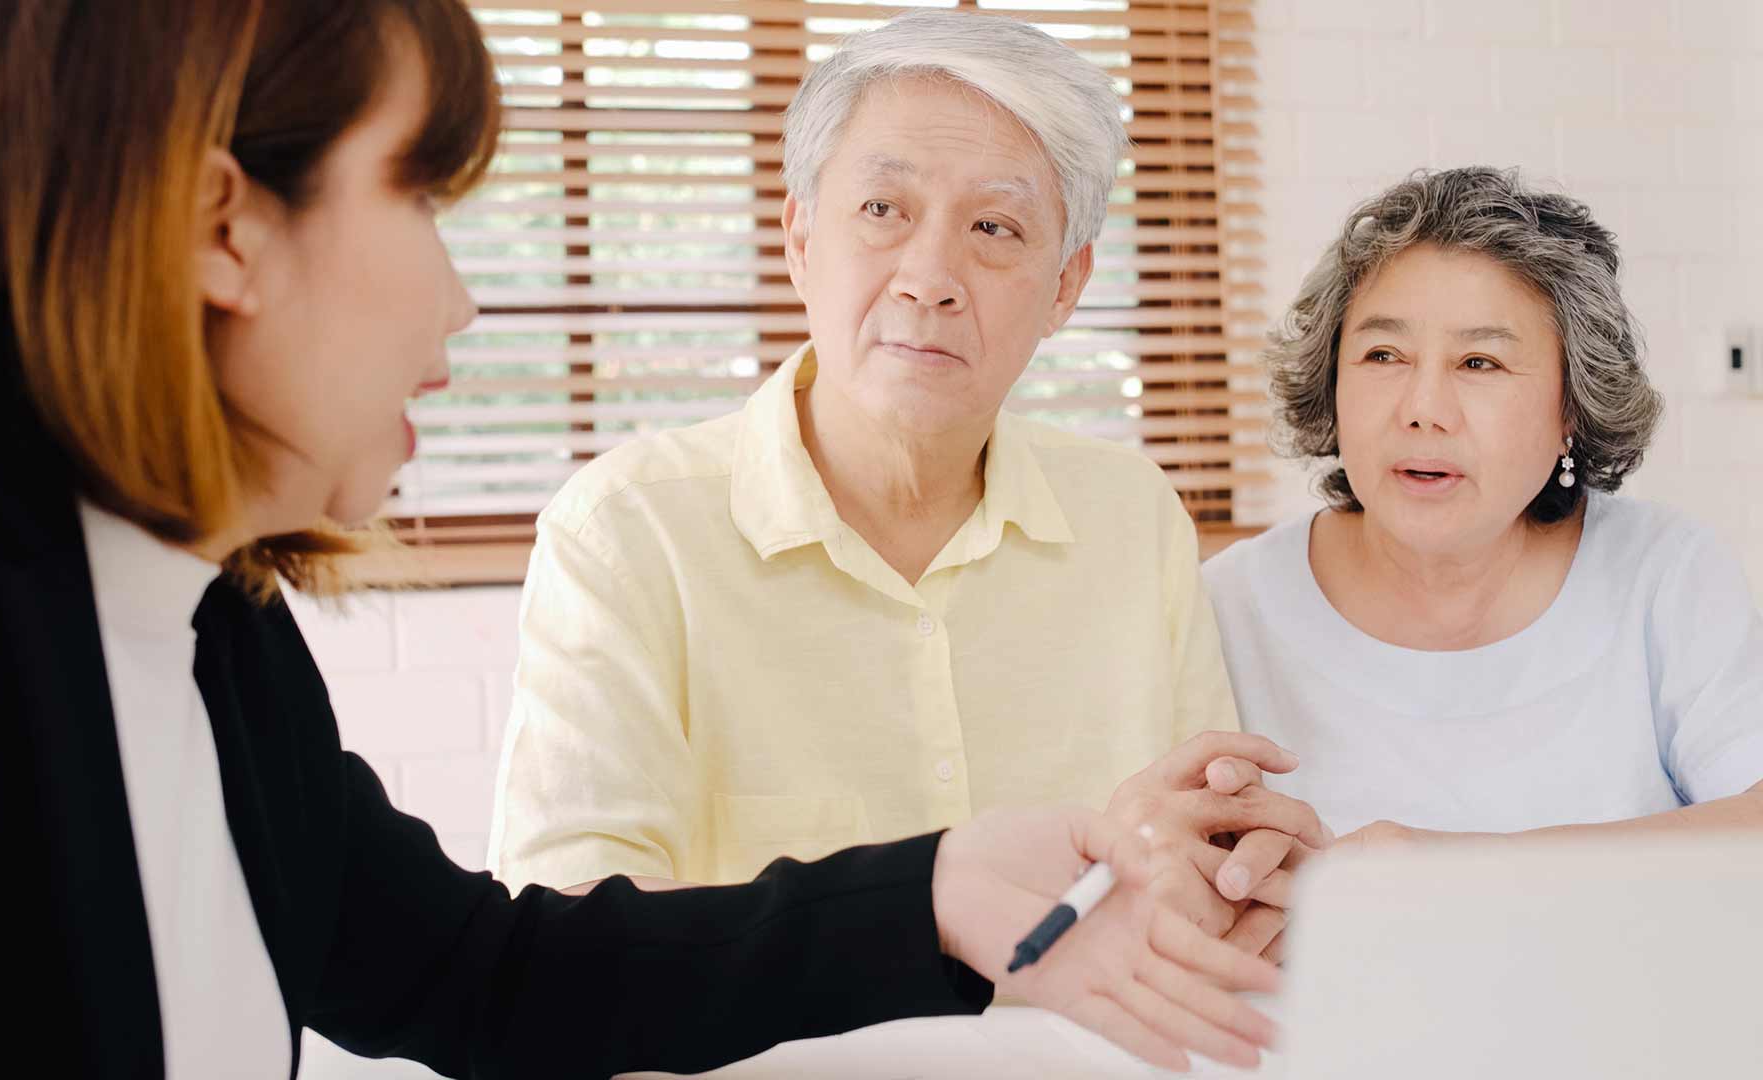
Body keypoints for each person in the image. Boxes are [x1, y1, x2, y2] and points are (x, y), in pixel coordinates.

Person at [0, 1, 1283, 1076]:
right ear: (226, 227)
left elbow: (485, 974)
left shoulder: (213, 628)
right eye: (419, 195)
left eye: (996, 233)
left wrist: (935, 892)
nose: (464, 304)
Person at [488, 8, 1324, 946]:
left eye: (996, 226)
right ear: (801, 239)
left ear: (1065, 287)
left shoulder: (1131, 515)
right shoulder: (627, 531)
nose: (930, 276)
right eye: (883, 211)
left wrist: (1239, 877)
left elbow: (1202, 858)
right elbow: (567, 935)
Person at [1200, 169, 1761, 954]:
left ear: (1572, 406)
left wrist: (1450, 873)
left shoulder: (1661, 572)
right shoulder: (1227, 603)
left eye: (1479, 364)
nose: (1423, 407)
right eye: (1384, 354)